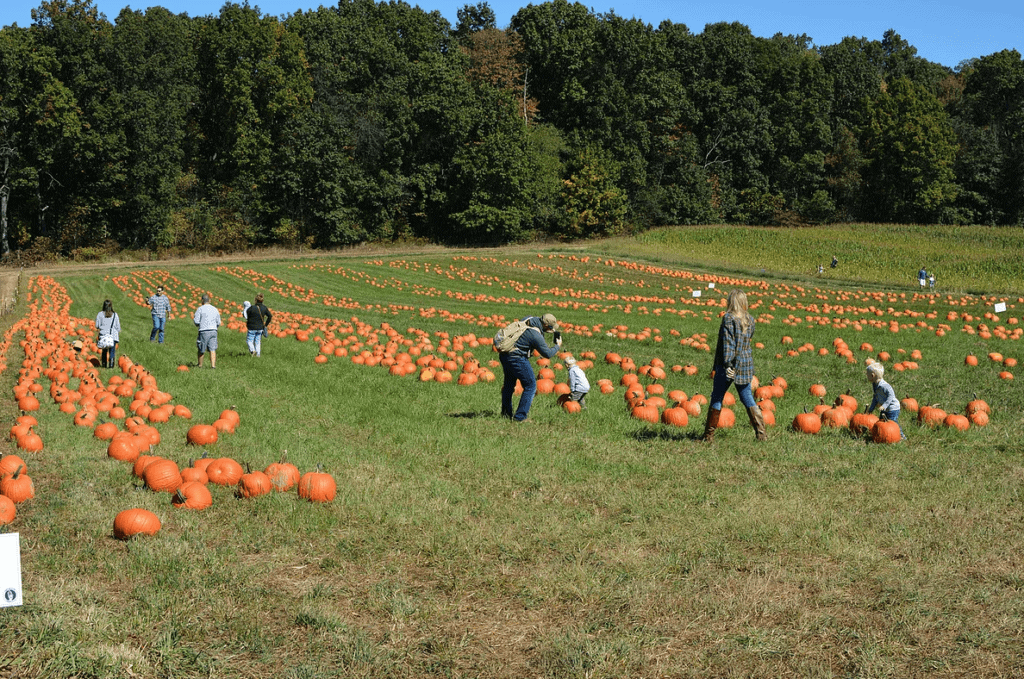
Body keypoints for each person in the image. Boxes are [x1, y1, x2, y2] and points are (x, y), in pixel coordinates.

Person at [702, 289, 765, 442]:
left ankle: (708, 436)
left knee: (717, 396)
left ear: (731, 302)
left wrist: (728, 363)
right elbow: (746, 340)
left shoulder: (728, 319)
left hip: (728, 365)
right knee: (747, 397)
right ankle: (761, 434)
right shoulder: (750, 319)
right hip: (745, 364)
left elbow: (728, 343)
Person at [498, 313, 562, 422]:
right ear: (546, 325)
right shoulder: (535, 335)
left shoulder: (528, 319)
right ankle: (520, 417)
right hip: (517, 358)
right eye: (551, 327)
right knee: (531, 386)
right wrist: (557, 346)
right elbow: (547, 354)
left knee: (509, 385)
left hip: (505, 354)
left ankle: (505, 413)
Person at [865, 362, 905, 440]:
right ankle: (881, 436)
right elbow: (875, 397)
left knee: (892, 423)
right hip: (885, 408)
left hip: (892, 408)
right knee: (881, 422)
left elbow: (891, 396)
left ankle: (901, 436)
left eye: (867, 374)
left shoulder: (884, 386)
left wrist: (884, 406)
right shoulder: (875, 385)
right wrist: (871, 409)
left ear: (872, 375)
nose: (866, 375)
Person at [193, 293, 222, 368]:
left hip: (204, 331)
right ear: (209, 300)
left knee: (201, 348)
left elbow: (196, 321)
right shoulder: (215, 309)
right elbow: (218, 322)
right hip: (213, 330)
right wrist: (215, 327)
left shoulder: (200, 309)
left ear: (202, 301)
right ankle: (213, 366)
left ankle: (200, 365)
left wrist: (199, 324)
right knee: (212, 349)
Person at [94, 299, 121, 369]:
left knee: (104, 351)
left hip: (104, 336)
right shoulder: (115, 315)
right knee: (112, 351)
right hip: (113, 336)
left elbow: (97, 325)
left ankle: (104, 364)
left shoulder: (100, 314)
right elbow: (118, 327)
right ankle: (111, 365)